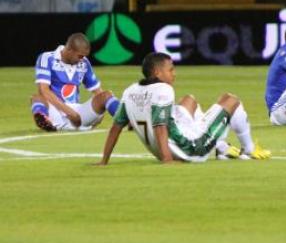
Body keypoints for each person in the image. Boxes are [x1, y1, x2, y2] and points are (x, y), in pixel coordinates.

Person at [97, 52, 271, 165]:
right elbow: (160, 127)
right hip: (191, 149)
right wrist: (167, 160)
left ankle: (221, 146)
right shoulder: (164, 90)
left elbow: (116, 127)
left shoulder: (130, 91)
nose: (175, 73)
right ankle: (248, 149)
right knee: (231, 100)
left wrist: (104, 160)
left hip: (168, 146)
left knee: (189, 100)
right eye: (171, 70)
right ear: (158, 73)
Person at [31, 33, 120, 132]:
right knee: (37, 98)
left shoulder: (84, 63)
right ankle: (47, 122)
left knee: (106, 95)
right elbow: (44, 90)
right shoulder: (46, 58)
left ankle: (127, 120)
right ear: (69, 50)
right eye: (80, 56)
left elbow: (97, 91)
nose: (82, 59)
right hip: (55, 110)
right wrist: (70, 113)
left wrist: (100, 112)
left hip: (77, 115)